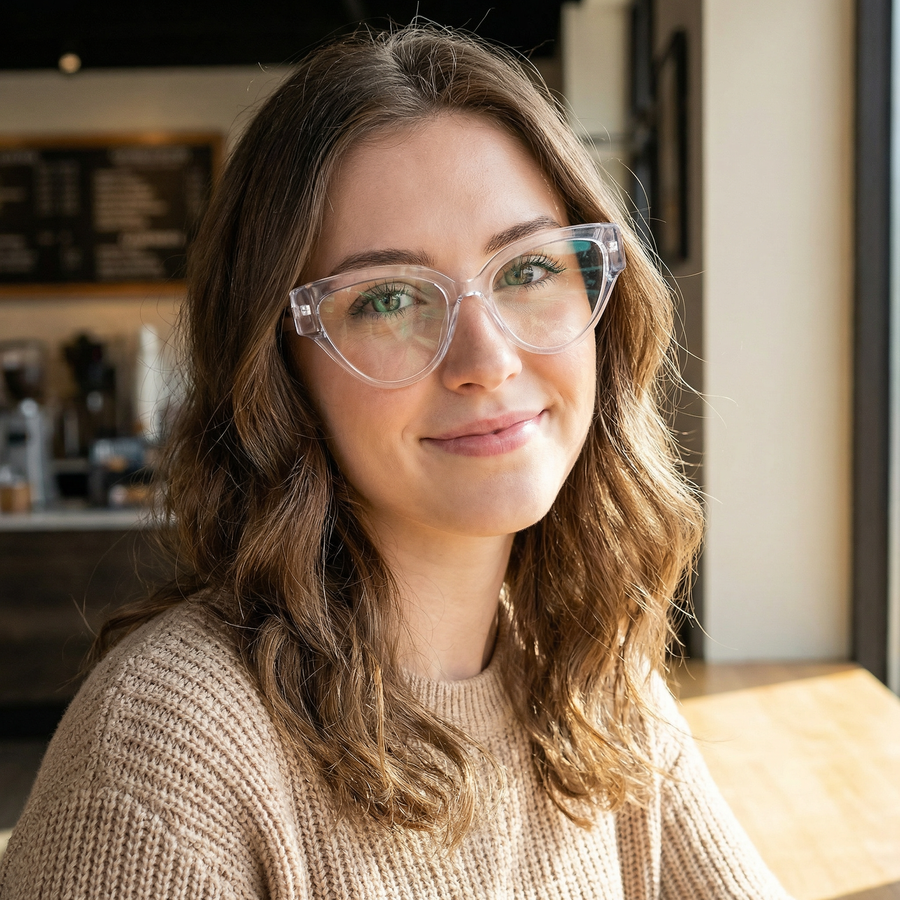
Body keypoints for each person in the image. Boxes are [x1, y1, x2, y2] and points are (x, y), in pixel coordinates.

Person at [0, 25, 792, 899]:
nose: (486, 358)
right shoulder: (165, 753)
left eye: (528, 268)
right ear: (278, 375)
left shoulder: (585, 679)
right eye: (386, 299)